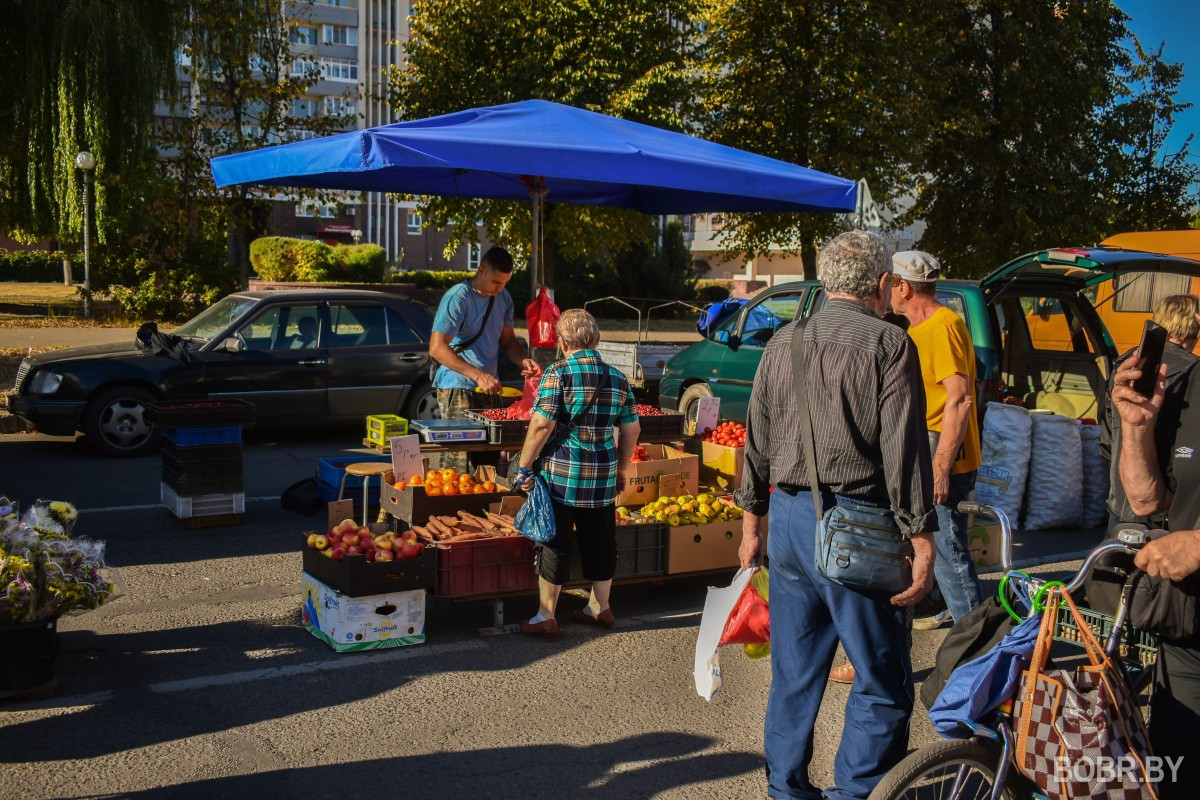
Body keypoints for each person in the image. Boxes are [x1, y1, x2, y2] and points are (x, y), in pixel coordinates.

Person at [735, 230, 936, 800]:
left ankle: (787, 790)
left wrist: (752, 527)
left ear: (825, 282)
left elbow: (757, 439)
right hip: (857, 526)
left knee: (794, 676)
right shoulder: (889, 345)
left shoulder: (784, 341)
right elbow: (904, 452)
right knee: (881, 679)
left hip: (790, 523)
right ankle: (858, 792)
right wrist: (922, 538)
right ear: (882, 285)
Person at [512, 309, 640, 641]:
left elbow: (541, 424)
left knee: (555, 541)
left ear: (563, 342)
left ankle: (546, 615)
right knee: (600, 539)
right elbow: (632, 429)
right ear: (595, 339)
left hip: (562, 476)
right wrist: (623, 469)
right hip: (602, 476)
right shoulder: (617, 377)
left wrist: (524, 466)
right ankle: (600, 607)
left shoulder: (558, 373)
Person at [1110, 346, 1200, 800]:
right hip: (1188, 631)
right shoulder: (1193, 384)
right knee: (1174, 777)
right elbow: (1149, 501)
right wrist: (1137, 426)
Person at [890, 251, 984, 629]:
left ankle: (976, 642)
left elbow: (959, 399)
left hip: (943, 455)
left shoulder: (942, 326)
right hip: (929, 451)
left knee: (947, 549)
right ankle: (952, 607)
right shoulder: (919, 329)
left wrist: (941, 467)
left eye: (890, 282)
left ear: (904, 287)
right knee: (942, 546)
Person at [429, 246, 541, 471]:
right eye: (496, 283)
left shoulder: (503, 298)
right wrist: (478, 375)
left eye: (505, 283)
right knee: (458, 462)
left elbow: (508, 342)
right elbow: (437, 348)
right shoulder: (458, 297)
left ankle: (483, 504)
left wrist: (523, 360)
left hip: (489, 388)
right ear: (480, 271)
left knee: (487, 461)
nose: (500, 289)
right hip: (457, 387)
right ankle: (451, 506)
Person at [1101, 294, 1200, 527]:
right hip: (1166, 513)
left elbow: (1106, 441)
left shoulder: (1127, 364)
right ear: (1195, 327)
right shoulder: (1193, 372)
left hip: (1120, 502)